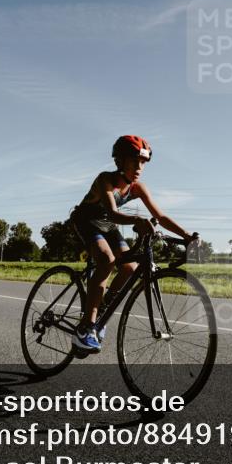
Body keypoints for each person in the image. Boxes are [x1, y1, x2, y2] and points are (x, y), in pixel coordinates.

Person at [68, 135, 194, 353]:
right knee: (107, 261)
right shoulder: (105, 179)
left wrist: (187, 236)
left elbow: (161, 217)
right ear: (120, 161)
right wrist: (137, 220)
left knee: (130, 266)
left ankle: (101, 312)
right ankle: (85, 328)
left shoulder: (137, 188)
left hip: (108, 225)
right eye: (134, 161)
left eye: (143, 162)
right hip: (86, 220)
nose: (139, 167)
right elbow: (113, 213)